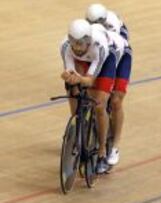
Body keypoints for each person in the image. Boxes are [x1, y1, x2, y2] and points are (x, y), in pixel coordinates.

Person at [60, 19, 118, 173]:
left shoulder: (99, 47)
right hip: (83, 60)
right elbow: (70, 72)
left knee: (99, 105)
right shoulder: (66, 46)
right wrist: (70, 77)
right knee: (73, 89)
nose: (77, 47)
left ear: (88, 40)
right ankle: (78, 128)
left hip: (105, 61)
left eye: (80, 43)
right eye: (74, 42)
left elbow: (91, 80)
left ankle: (102, 151)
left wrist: (80, 79)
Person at [91, 23, 132, 167]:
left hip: (119, 56)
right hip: (98, 55)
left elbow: (109, 73)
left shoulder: (114, 28)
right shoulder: (89, 34)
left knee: (114, 100)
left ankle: (114, 146)